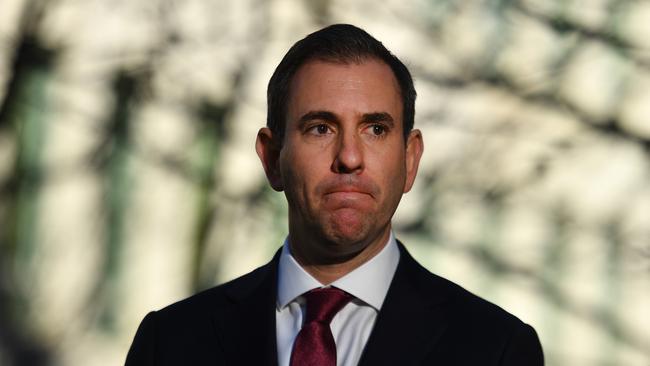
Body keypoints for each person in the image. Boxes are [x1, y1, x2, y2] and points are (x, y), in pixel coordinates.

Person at [125, 24, 544, 366]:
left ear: (410, 159)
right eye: (320, 128)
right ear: (272, 158)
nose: (348, 157)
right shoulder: (171, 343)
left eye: (375, 129)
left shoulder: (496, 350)